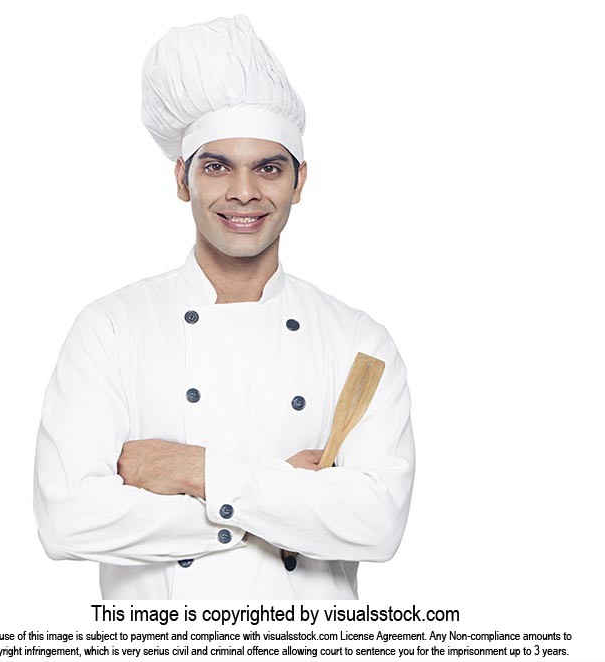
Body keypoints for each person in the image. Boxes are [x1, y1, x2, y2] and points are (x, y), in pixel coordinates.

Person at [33, 15, 415, 600]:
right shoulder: (110, 329)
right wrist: (284, 501)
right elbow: (69, 520)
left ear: (299, 180)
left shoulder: (359, 341)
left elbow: (378, 523)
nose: (244, 191)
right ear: (183, 178)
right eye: (217, 166)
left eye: (268, 167)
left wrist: (192, 470)